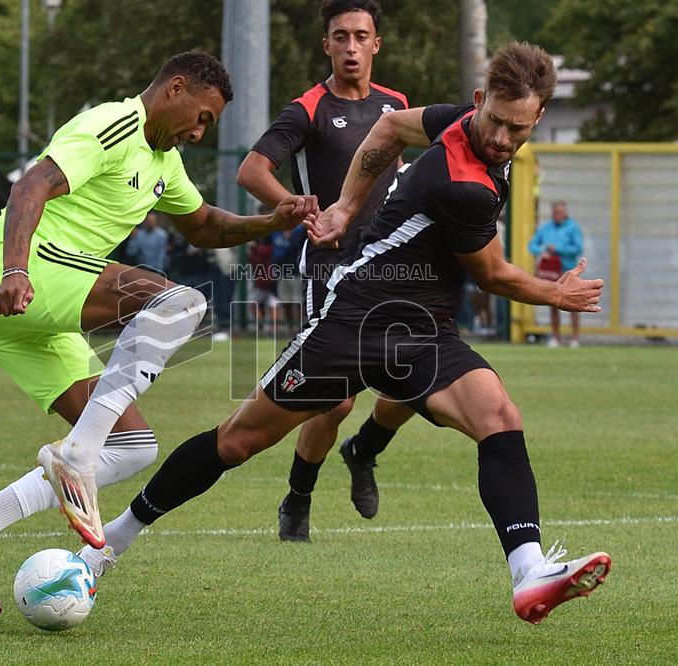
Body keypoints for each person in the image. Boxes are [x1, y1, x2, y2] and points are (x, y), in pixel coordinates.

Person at [96, 42, 611, 626]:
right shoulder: (464, 181)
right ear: (478, 102)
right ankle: (113, 540)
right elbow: (491, 275)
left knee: (500, 418)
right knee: (237, 441)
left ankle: (528, 573)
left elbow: (390, 127)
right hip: (358, 318)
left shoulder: (461, 125)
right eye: (494, 121)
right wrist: (556, 293)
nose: (501, 137)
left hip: (425, 331)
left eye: (517, 128)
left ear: (538, 116)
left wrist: (344, 207)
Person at [0, 51, 317, 615]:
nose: (201, 132)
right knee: (178, 303)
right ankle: (75, 456)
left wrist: (270, 220)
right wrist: (14, 269)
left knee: (135, 447)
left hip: (34, 315)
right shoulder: (113, 125)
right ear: (175, 88)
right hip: (20, 273)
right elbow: (29, 187)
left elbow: (204, 226)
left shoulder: (165, 163)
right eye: (202, 116)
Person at [235, 0, 416, 542]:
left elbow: (400, 172)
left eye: (362, 36)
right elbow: (252, 169)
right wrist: (298, 205)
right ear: (327, 45)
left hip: (392, 263)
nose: (352, 46)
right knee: (334, 397)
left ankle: (364, 452)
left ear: (376, 44)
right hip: (331, 265)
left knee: (418, 376)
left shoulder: (397, 106)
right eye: (341, 36)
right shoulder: (307, 108)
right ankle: (298, 499)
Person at [528, 201, 584, 347]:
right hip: (551, 272)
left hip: (568, 270)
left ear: (565, 212)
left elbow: (577, 248)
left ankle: (575, 338)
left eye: (559, 212)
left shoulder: (573, 227)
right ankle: (555, 337)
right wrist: (543, 251)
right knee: (552, 303)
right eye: (554, 212)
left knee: (574, 304)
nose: (557, 215)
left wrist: (558, 249)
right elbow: (532, 245)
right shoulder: (546, 228)